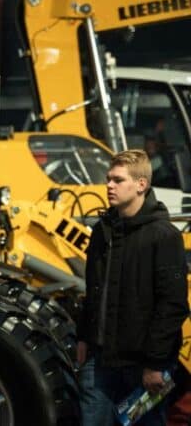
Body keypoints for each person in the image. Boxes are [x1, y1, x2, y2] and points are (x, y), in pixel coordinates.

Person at [77, 149, 188, 426]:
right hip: (99, 360)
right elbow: (93, 290)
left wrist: (155, 364)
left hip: (144, 367)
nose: (109, 186)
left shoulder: (164, 236)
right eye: (108, 179)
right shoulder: (101, 231)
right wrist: (83, 337)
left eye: (118, 180)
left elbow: (172, 305)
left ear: (141, 185)